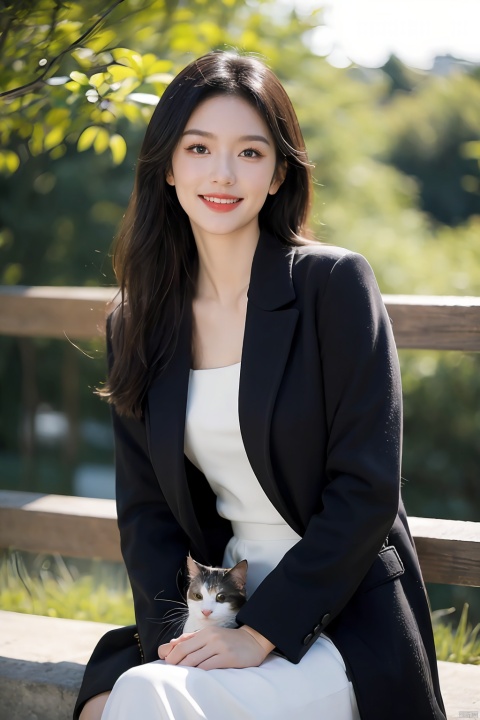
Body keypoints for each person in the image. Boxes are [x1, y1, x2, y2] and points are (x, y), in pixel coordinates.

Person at [74, 51, 446, 720]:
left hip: (340, 615)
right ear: (167, 167)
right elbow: (147, 516)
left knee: (146, 699)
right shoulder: (138, 319)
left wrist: (261, 634)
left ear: (278, 174)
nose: (222, 173)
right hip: (218, 606)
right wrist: (185, 639)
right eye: (199, 148)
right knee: (133, 690)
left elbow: (365, 492)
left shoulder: (332, 287)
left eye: (250, 152)